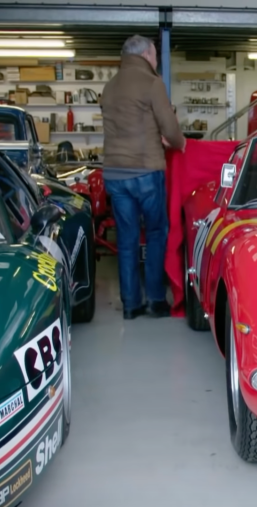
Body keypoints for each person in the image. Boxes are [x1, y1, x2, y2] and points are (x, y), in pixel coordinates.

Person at [101, 34, 186, 319]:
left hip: (115, 173)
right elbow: (169, 127)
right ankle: (156, 300)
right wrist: (181, 143)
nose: (155, 60)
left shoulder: (109, 87)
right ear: (147, 56)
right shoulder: (152, 83)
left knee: (125, 240)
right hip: (146, 172)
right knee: (156, 234)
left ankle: (130, 305)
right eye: (154, 54)